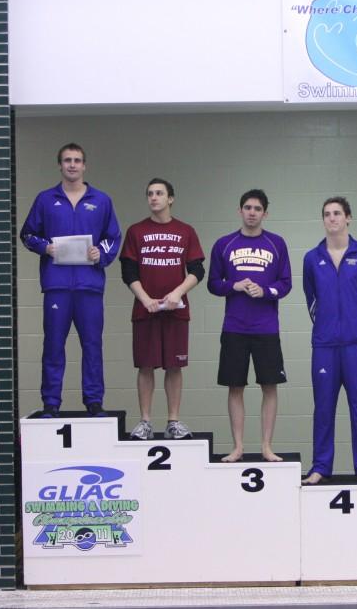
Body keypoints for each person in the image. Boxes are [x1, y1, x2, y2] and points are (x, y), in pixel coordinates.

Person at [20, 143, 121, 418]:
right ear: (60, 165)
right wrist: (46, 248)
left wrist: (100, 254)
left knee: (92, 345)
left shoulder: (101, 200)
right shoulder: (45, 199)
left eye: (77, 160)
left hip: (89, 286)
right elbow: (27, 234)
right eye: (67, 160)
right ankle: (51, 403)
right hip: (57, 285)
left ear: (84, 165)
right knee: (53, 345)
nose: (72, 165)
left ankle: (94, 401)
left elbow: (113, 238)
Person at [302, 197, 357, 484]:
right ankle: (321, 466)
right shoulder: (312, 258)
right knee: (323, 408)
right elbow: (311, 299)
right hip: (324, 346)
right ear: (323, 220)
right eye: (327, 214)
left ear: (348, 218)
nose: (332, 218)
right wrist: (327, 326)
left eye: (337, 213)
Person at [207, 189, 291, 462]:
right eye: (247, 207)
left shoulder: (277, 243)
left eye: (257, 208)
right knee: (235, 387)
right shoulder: (224, 244)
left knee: (270, 386)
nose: (252, 212)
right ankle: (238, 446)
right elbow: (213, 284)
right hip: (235, 327)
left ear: (265, 213)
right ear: (239, 211)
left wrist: (265, 291)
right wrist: (235, 285)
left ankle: (267, 446)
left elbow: (286, 283)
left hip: (266, 328)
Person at [120, 178, 205, 441]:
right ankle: (145, 421)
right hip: (145, 310)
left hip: (175, 310)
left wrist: (178, 292)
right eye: (150, 194)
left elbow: (197, 270)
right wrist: (145, 298)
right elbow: (128, 271)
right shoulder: (136, 231)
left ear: (171, 198)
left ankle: (173, 421)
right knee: (145, 366)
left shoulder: (186, 231)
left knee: (174, 366)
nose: (154, 197)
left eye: (159, 193)